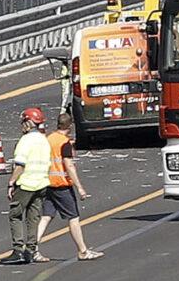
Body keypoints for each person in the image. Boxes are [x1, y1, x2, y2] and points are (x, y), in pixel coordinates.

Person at [45, 110, 105, 260]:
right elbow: (69, 166)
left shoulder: (49, 138)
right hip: (62, 185)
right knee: (73, 218)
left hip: (47, 183)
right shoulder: (64, 143)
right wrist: (79, 187)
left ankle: (32, 247)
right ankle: (83, 251)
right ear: (69, 126)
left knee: (46, 216)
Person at [6, 106, 56, 264]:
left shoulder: (25, 140)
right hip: (41, 184)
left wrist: (11, 182)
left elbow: (20, 165)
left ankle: (18, 249)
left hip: (26, 184)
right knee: (33, 218)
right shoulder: (43, 140)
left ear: (28, 123)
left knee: (15, 215)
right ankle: (31, 249)